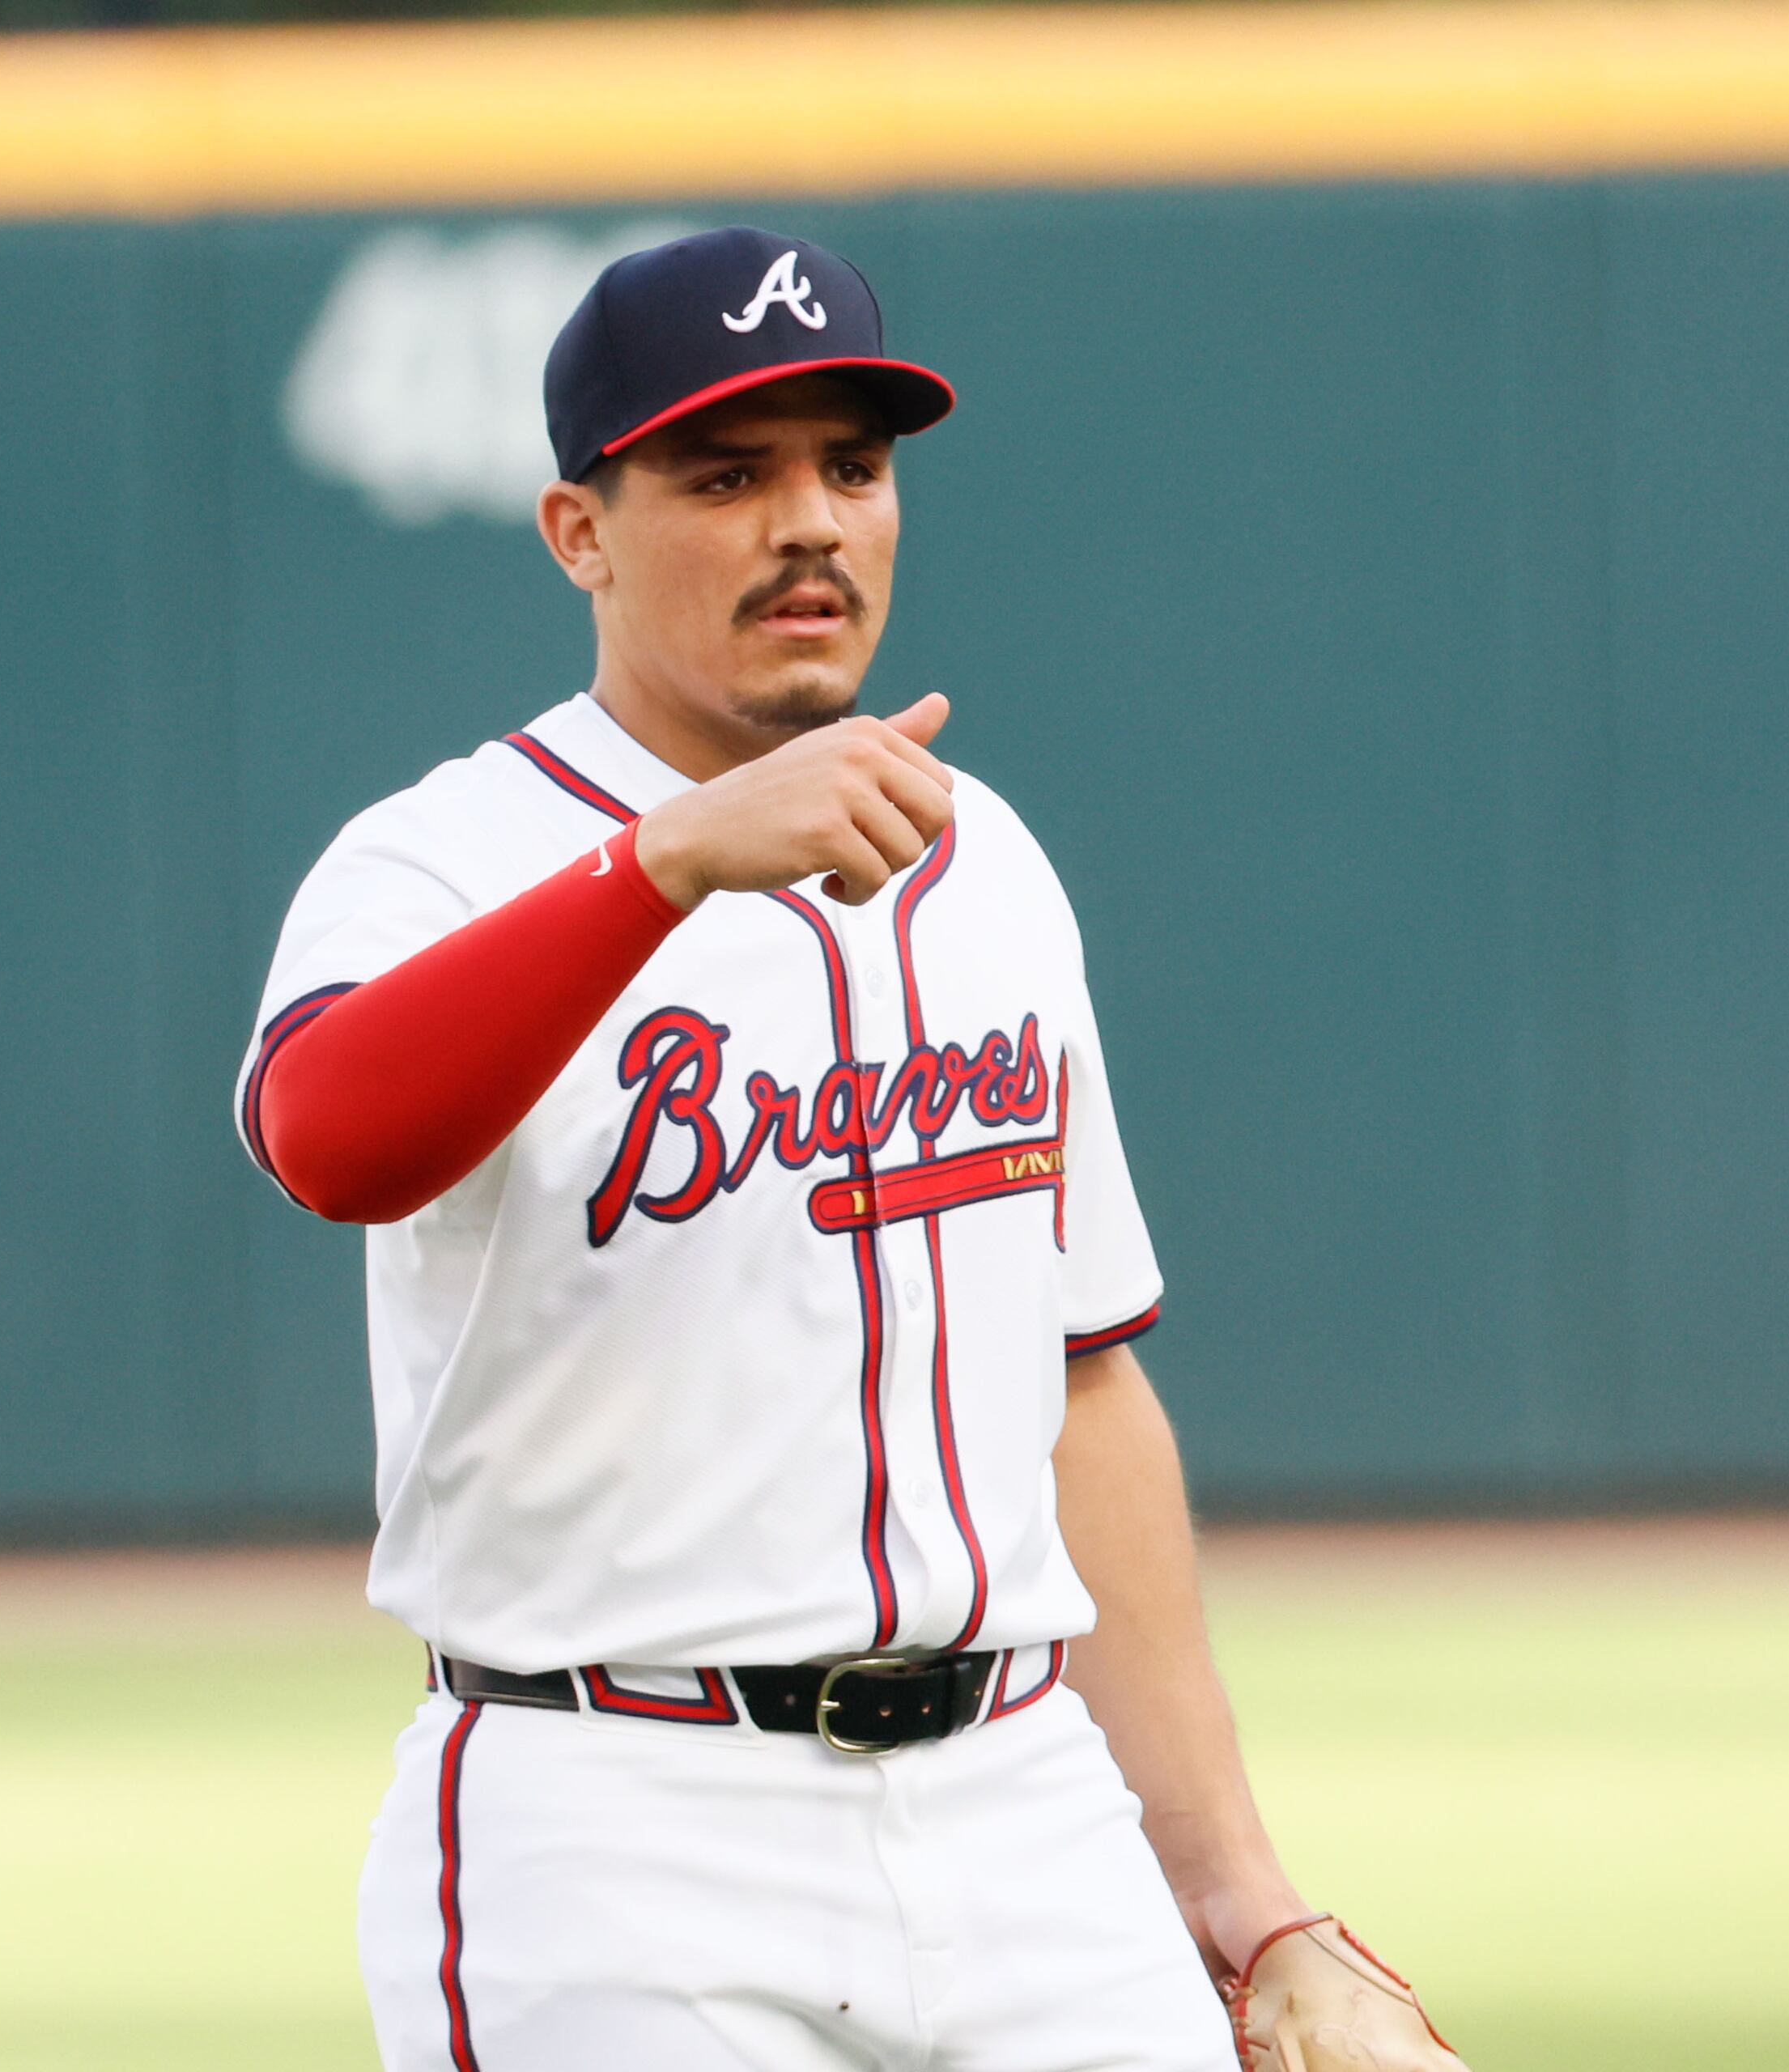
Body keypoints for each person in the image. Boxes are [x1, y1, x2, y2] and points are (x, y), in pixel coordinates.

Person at [236, 226, 1468, 2072]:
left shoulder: (993, 862)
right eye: (727, 476)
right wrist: (664, 862)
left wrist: (1241, 1892)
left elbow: (1082, 1384)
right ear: (580, 530)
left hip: (1029, 1807)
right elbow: (328, 1138)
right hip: (619, 1819)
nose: (809, 521)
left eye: (853, 467)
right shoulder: (442, 859)